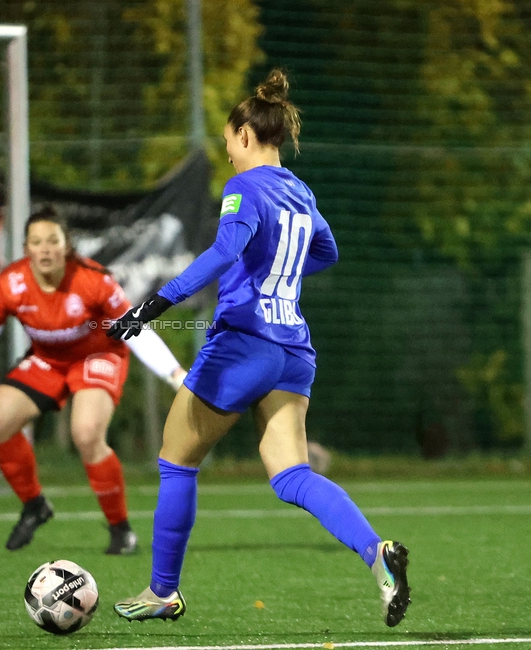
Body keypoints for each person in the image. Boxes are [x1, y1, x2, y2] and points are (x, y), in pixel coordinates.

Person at [106, 69, 411, 626]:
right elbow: (329, 250)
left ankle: (163, 592)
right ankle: (377, 554)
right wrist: (282, 270)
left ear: (246, 135)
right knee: (291, 475)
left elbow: (224, 251)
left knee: (176, 463)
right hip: (293, 348)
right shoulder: (300, 190)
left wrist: (151, 307)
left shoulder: (243, 188)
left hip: (243, 343)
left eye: (227, 141)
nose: (226, 153)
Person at [0, 206, 188, 555]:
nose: (45, 249)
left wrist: (175, 375)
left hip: (97, 356)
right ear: (26, 248)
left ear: (67, 247)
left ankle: (120, 529)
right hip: (48, 360)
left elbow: (134, 330)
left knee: (87, 433)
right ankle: (34, 506)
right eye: (36, 242)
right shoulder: (10, 285)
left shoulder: (94, 280)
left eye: (53, 241)